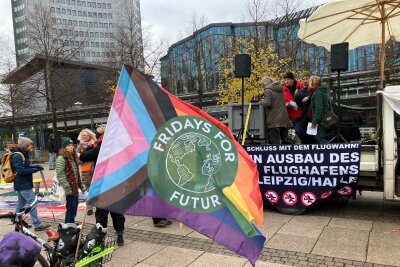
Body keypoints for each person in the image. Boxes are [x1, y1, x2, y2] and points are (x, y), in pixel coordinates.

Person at [79, 126, 126, 246]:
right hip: (116, 183)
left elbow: (82, 157)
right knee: (117, 211)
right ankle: (120, 234)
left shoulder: (99, 149)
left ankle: (101, 237)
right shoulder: (118, 148)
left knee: (101, 212)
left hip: (102, 184)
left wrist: (91, 145)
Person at [12, 137, 50, 231]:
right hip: (22, 184)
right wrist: (35, 169)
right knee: (33, 202)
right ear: (25, 146)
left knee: (21, 204)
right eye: (30, 145)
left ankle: (18, 222)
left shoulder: (23, 154)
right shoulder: (17, 156)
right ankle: (37, 224)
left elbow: (26, 167)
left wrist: (36, 166)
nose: (31, 146)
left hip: (23, 183)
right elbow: (21, 171)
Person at [56, 137, 86, 224]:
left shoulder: (72, 157)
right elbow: (60, 175)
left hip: (74, 188)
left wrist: (82, 187)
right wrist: (67, 188)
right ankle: (68, 225)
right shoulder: (61, 158)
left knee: (74, 208)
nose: (71, 147)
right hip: (69, 189)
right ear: (64, 147)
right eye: (68, 145)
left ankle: (71, 223)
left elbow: (76, 175)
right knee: (71, 208)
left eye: (72, 145)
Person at [259, 77, 291, 144]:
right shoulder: (280, 88)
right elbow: (275, 98)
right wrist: (264, 95)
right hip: (283, 119)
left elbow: (268, 103)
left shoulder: (267, 91)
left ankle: (276, 154)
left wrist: (261, 101)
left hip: (274, 120)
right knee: (285, 141)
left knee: (275, 143)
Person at [76, 128, 97, 216]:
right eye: (83, 135)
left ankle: (100, 205)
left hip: (96, 170)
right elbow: (77, 159)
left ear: (90, 135)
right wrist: (83, 158)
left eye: (86, 135)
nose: (84, 137)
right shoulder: (79, 146)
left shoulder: (95, 144)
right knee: (88, 190)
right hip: (85, 172)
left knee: (97, 189)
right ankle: (89, 208)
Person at [310, 76, 334, 144]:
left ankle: (329, 153)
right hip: (325, 120)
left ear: (314, 83)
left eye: (311, 81)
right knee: (322, 139)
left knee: (320, 138)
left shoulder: (318, 93)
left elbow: (318, 108)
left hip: (321, 121)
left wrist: (314, 122)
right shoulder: (323, 92)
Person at [282, 72, 305, 142]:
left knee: (307, 131)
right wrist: (286, 104)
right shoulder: (283, 90)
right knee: (298, 131)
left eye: (288, 79)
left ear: (292, 79)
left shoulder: (301, 85)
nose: (286, 81)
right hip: (294, 115)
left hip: (305, 113)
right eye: (285, 80)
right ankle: (302, 145)